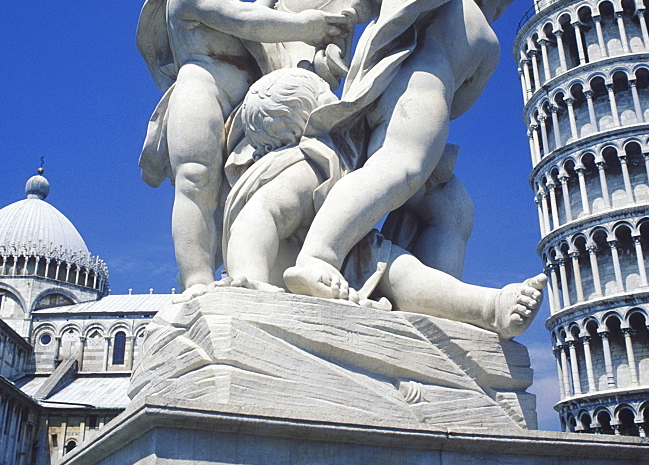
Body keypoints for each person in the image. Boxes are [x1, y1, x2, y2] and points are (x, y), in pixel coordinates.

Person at [287, 0, 524, 300]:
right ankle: (318, 256)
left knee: (452, 208)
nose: (500, 10)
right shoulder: (485, 37)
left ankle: (435, 297)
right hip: (424, 100)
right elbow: (460, 103)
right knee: (399, 170)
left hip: (378, 95)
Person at [136, 0, 353, 300]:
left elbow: (255, 14)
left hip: (243, 112)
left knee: (237, 193)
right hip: (200, 92)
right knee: (196, 182)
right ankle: (197, 280)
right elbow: (245, 21)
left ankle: (248, 264)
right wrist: (306, 26)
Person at [222, 68, 544, 339]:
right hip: (301, 275)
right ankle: (489, 307)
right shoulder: (303, 167)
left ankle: (491, 307)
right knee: (400, 270)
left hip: (343, 264)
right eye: (329, 101)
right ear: (313, 115)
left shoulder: (319, 164)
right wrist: (249, 279)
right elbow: (258, 215)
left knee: (400, 268)